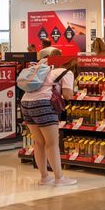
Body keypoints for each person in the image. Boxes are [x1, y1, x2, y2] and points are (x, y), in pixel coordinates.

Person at [18, 46, 77, 190]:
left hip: (26, 103)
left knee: (39, 142)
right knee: (52, 143)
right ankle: (59, 178)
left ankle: (44, 177)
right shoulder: (67, 73)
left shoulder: (46, 69)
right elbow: (68, 95)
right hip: (43, 104)